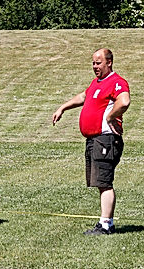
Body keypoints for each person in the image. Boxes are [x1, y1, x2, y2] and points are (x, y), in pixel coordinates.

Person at [52, 48, 130, 235]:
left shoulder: (116, 82)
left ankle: (106, 225)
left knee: (104, 182)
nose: (95, 66)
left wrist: (111, 117)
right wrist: (63, 107)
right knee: (100, 182)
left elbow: (124, 101)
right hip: (94, 140)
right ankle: (104, 222)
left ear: (109, 62)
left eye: (98, 62)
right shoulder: (96, 83)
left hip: (105, 139)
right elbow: (84, 96)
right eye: (93, 63)